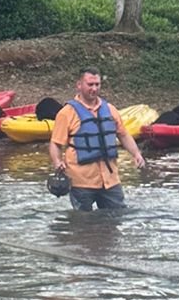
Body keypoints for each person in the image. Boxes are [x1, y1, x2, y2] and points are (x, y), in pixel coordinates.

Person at [48, 69, 145, 211]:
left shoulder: (110, 109)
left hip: (110, 179)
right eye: (90, 84)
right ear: (79, 85)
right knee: (83, 220)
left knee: (117, 216)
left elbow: (123, 135)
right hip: (80, 181)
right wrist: (57, 162)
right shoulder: (66, 113)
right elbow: (55, 143)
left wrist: (136, 154)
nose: (94, 89)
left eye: (97, 84)